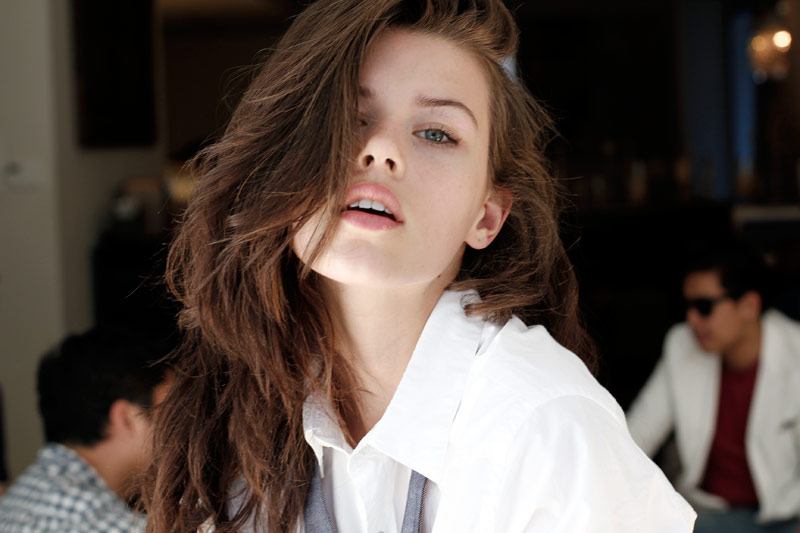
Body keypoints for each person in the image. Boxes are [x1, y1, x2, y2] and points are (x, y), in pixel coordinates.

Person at [143, 1, 696, 531]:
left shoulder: (544, 429)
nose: (381, 149)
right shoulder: (236, 409)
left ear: (486, 215)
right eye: (350, 118)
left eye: (436, 133)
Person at [627, 241, 800, 533]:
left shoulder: (795, 351)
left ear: (749, 305)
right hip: (708, 517)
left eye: (704, 307)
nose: (692, 319)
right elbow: (639, 434)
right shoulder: (682, 344)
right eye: (687, 307)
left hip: (786, 519)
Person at [0, 326, 172, 533]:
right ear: (126, 418)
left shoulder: (21, 498)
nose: (185, 424)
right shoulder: (98, 523)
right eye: (172, 409)